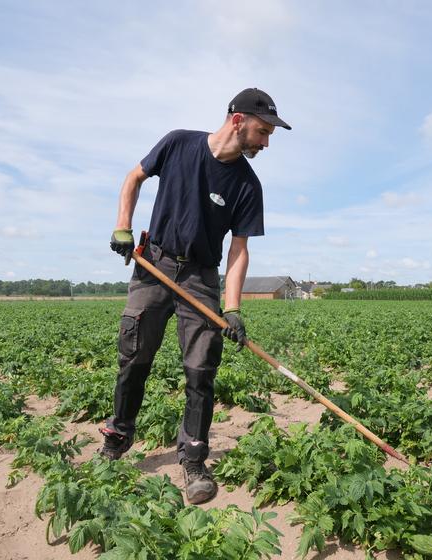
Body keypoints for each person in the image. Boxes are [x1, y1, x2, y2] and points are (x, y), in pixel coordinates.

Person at [101, 88, 291, 504]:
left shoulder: (247, 185)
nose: (266, 142)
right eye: (263, 131)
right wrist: (122, 226)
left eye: (270, 134)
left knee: (201, 369)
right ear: (238, 120)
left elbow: (239, 250)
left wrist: (234, 307)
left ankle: (193, 459)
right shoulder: (178, 143)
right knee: (134, 357)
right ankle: (116, 439)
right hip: (154, 265)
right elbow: (133, 177)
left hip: (201, 278)